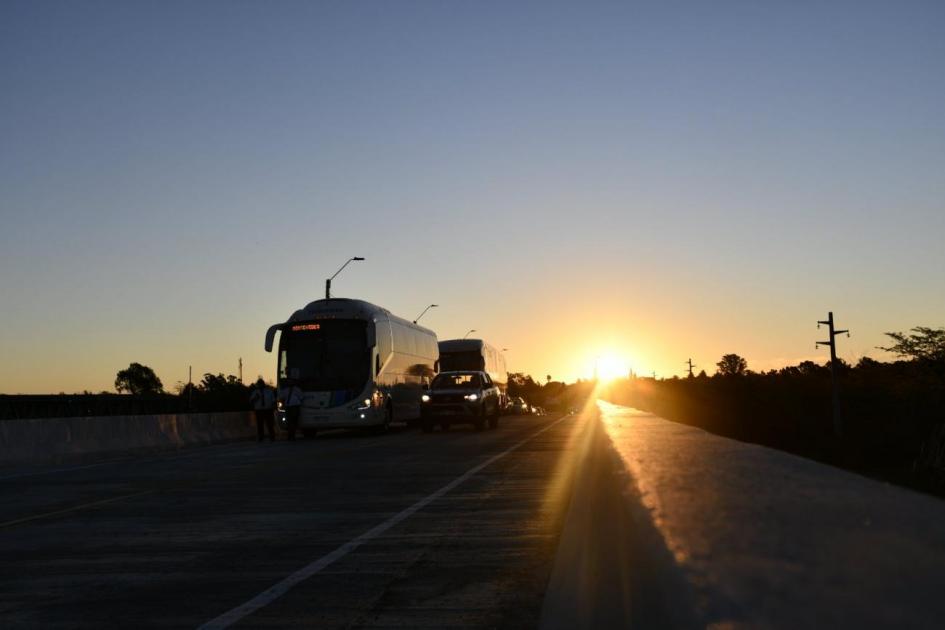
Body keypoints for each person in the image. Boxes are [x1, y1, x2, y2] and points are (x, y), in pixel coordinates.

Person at [249, 378, 276, 442]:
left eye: (261, 384)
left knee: (270, 424)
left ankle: (272, 437)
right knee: (260, 424)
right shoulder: (255, 392)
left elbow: (273, 401)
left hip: (268, 410)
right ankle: (261, 437)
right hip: (259, 410)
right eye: (259, 384)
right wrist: (256, 397)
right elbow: (251, 401)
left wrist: (273, 408)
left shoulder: (269, 391)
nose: (260, 385)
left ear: (264, 384)